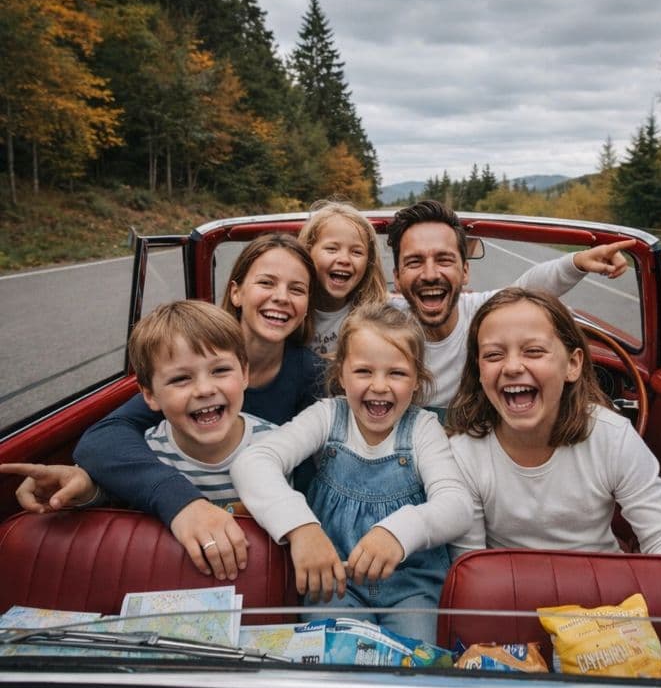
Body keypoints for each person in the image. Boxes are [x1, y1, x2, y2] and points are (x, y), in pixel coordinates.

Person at [12, 234, 324, 581]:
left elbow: (312, 480)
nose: (204, 389)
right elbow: (103, 440)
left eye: (297, 289)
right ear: (236, 292)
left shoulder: (310, 379)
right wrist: (172, 500)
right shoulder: (175, 389)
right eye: (266, 282)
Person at [230, 303, 472, 644]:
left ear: (417, 379)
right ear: (341, 374)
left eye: (397, 373)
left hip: (412, 590)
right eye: (363, 371)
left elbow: (457, 506)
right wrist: (302, 529)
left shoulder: (423, 429)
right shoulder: (327, 417)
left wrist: (399, 532)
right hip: (334, 582)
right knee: (335, 665)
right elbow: (253, 462)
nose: (379, 385)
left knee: (416, 669)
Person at [445, 287, 661, 557]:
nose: (512, 367)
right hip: (510, 591)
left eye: (533, 351)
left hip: (604, 588)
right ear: (479, 371)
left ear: (573, 364)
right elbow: (470, 561)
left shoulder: (611, 436)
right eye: (493, 355)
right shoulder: (464, 454)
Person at [6, 301, 276, 554]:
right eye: (181, 378)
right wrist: (86, 490)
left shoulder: (278, 446)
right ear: (149, 395)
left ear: (244, 374)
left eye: (219, 371)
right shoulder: (141, 453)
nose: (204, 389)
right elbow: (117, 500)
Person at [386, 199, 635, 412]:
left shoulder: (482, 313)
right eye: (415, 261)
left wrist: (578, 262)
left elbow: (527, 288)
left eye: (444, 259)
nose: (430, 274)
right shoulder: (380, 324)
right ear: (397, 278)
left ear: (464, 271)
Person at [298, 199, 388, 357]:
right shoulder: (290, 310)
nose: (344, 260)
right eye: (332, 249)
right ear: (307, 252)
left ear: (369, 262)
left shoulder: (381, 317)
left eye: (356, 252)